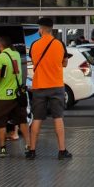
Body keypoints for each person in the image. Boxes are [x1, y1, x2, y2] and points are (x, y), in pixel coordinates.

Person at [27, 17, 72, 160]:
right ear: (51, 29)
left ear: (41, 29)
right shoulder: (60, 44)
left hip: (39, 86)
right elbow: (64, 63)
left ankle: (32, 150)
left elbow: (35, 61)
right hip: (56, 86)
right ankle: (61, 151)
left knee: (37, 119)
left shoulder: (34, 45)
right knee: (58, 118)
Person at [0, 35, 29, 158]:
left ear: (0, 45)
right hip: (17, 95)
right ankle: (29, 146)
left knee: (1, 122)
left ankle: (2, 149)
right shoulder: (16, 54)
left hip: (3, 96)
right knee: (22, 120)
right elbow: (4, 58)